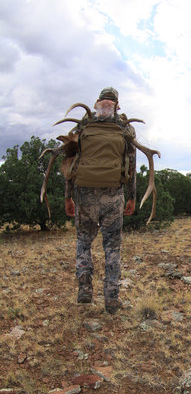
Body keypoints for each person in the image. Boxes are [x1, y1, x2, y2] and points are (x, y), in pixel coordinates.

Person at [64, 87, 136, 314]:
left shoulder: (82, 127)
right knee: (112, 247)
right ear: (117, 105)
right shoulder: (126, 130)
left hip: (84, 194)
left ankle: (85, 288)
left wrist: (68, 196)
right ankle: (111, 298)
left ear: (97, 103)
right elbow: (131, 166)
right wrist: (132, 197)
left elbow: (69, 164)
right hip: (113, 195)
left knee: (84, 241)